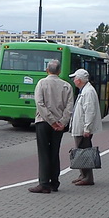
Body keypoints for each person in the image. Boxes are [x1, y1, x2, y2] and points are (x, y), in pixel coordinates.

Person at [28, 60, 74, 194]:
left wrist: (51, 120)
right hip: (59, 125)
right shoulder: (66, 86)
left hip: (43, 122)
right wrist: (62, 122)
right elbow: (69, 107)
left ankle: (43, 183)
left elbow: (39, 103)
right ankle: (54, 182)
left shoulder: (42, 83)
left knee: (43, 152)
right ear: (59, 71)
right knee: (54, 152)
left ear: (47, 70)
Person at [69, 68, 102, 186]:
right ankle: (83, 175)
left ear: (79, 80)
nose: (73, 80)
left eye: (74, 78)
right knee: (81, 151)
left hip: (83, 129)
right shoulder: (85, 90)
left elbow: (90, 111)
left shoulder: (88, 92)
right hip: (80, 127)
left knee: (84, 152)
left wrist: (87, 128)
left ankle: (88, 177)